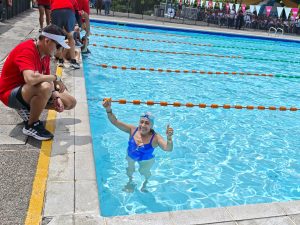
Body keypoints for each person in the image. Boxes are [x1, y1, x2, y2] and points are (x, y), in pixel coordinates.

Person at [0, 24, 77, 140]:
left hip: (26, 90)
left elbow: (46, 77)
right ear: (47, 41)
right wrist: (56, 78)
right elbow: (30, 79)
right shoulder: (27, 49)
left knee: (70, 102)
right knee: (45, 87)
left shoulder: (45, 54)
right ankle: (31, 125)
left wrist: (56, 97)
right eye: (58, 46)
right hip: (9, 94)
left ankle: (28, 108)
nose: (59, 50)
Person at [102, 98, 174, 192]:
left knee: (145, 172)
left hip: (146, 160)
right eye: (141, 122)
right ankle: (130, 181)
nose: (143, 125)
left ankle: (145, 183)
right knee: (129, 170)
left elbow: (168, 149)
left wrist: (169, 138)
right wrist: (108, 109)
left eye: (147, 123)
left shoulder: (155, 138)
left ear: (152, 126)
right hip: (131, 156)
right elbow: (115, 122)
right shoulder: (132, 130)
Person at [50, 0, 81, 69]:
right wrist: (79, 24)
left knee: (59, 37)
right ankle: (73, 62)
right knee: (70, 37)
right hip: (68, 12)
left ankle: (60, 61)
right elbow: (77, 12)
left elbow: (51, 7)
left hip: (55, 11)